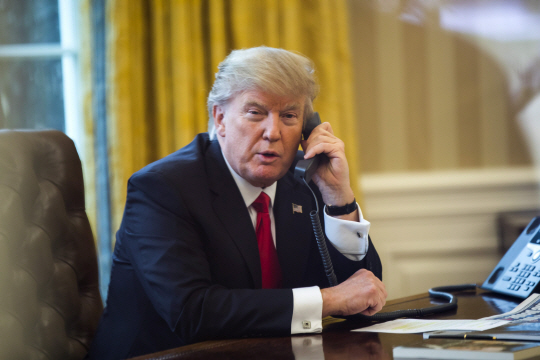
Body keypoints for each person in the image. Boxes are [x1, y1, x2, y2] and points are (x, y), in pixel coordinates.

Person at [88, 46, 387, 359]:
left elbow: (363, 294)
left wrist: (338, 198)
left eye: (289, 116)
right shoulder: (162, 188)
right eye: (255, 113)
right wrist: (327, 300)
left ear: (306, 128)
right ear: (220, 118)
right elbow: (193, 312)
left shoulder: (305, 180)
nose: (273, 132)